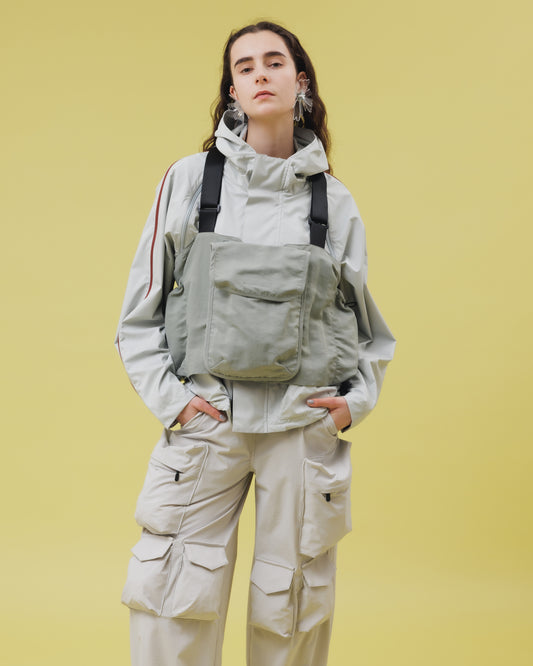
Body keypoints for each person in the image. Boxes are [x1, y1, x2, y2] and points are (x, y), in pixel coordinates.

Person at [115, 20, 396, 666]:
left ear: (300, 82)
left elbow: (368, 331)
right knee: (172, 597)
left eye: (273, 61)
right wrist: (176, 404)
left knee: (290, 606)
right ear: (232, 91)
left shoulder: (334, 202)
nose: (260, 73)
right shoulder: (190, 182)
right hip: (209, 423)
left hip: (299, 429)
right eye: (244, 67)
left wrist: (349, 405)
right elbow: (136, 317)